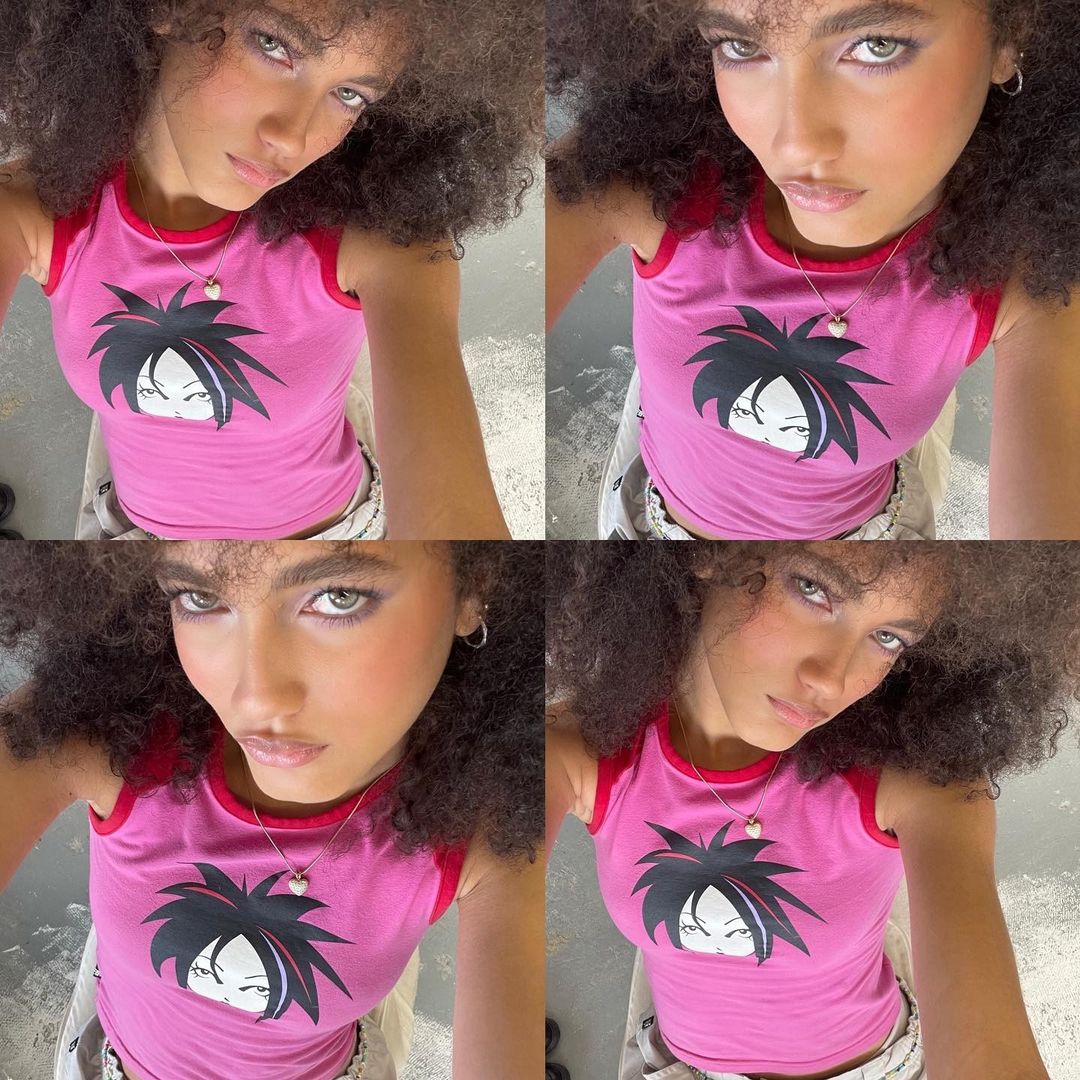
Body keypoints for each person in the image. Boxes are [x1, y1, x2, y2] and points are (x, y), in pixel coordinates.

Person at [0, 540, 544, 1079]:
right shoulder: (107, 738)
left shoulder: (487, 826)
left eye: (338, 596)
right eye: (200, 597)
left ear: (472, 589)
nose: (255, 698)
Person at [0, 0, 539, 539]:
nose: (293, 137)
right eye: (273, 45)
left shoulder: (385, 243)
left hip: (327, 539)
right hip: (131, 532)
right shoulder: (43, 208)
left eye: (350, 94)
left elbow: (453, 527)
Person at [546, 0, 1080, 540]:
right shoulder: (649, 183)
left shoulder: (1034, 272)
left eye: (876, 45)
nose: (795, 143)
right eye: (741, 46)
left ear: (1010, 34)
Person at [546, 541, 1080, 1079]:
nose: (831, 679)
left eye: (887, 637)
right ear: (713, 553)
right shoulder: (590, 749)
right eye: (812, 589)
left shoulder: (921, 781)